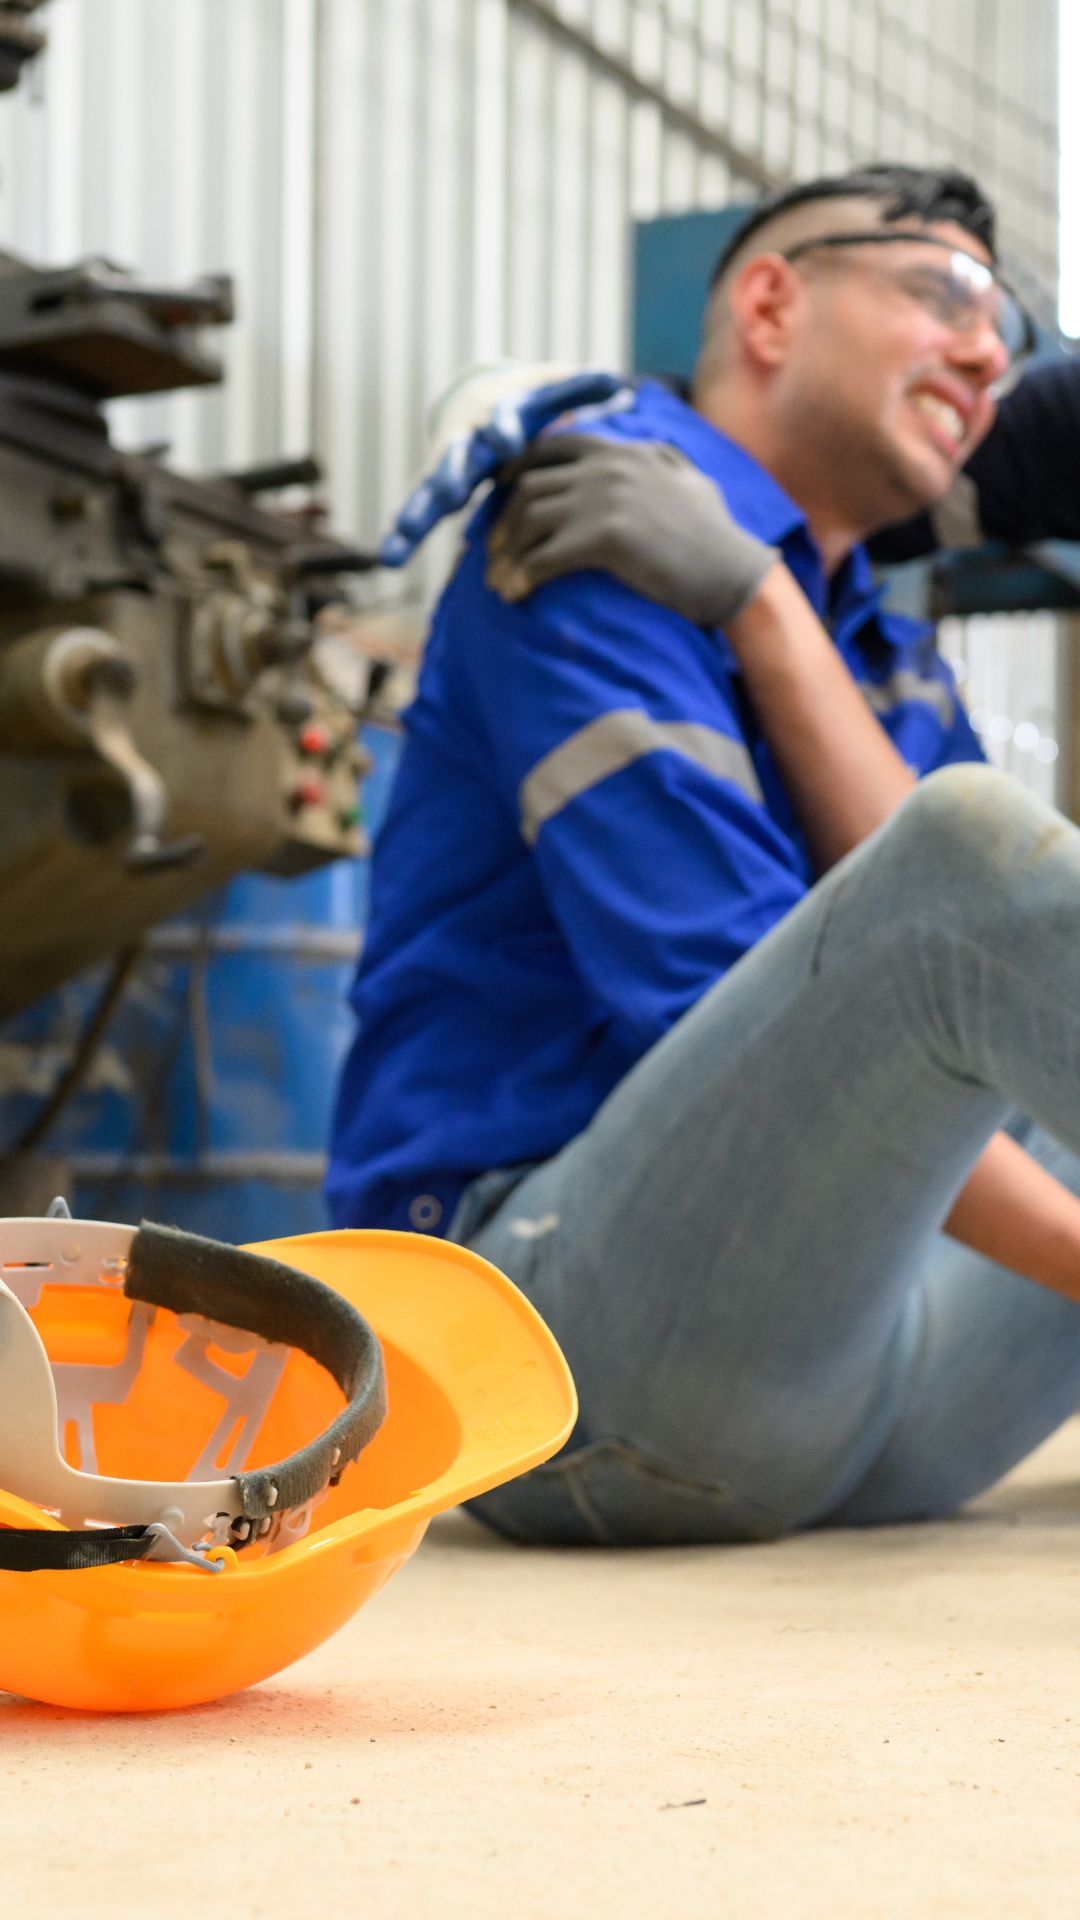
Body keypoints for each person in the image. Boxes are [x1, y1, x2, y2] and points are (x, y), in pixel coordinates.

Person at [329, 163, 1080, 1548]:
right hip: (563, 1362)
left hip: (843, 1374)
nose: (989, 356)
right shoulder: (590, 525)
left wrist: (765, 604)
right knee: (975, 849)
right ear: (772, 305)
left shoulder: (881, 648)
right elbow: (741, 991)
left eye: (1009, 335)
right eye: (947, 295)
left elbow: (958, 976)